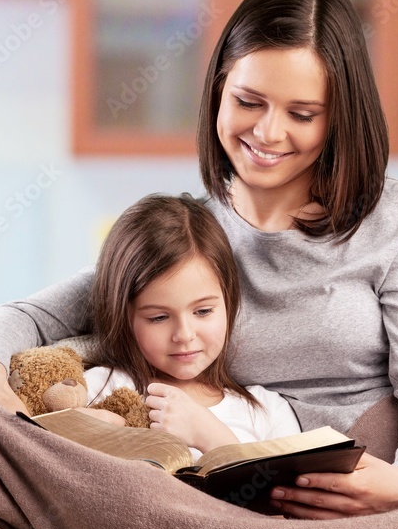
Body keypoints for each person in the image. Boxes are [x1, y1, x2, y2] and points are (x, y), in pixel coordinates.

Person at [0, 0, 398, 529]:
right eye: (248, 101)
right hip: (233, 483)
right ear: (217, 92)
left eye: (302, 114)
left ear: (339, 117)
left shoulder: (397, 219)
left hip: (374, 469)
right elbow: (25, 318)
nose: (268, 132)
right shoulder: (194, 236)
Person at [79, 193, 301, 452]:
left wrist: (214, 438)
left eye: (203, 311)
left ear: (229, 303)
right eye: (159, 318)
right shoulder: (101, 388)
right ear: (124, 316)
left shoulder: (267, 412)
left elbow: (284, 491)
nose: (184, 335)